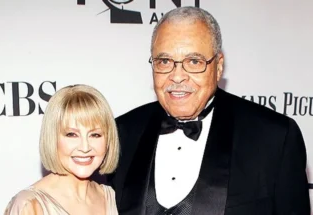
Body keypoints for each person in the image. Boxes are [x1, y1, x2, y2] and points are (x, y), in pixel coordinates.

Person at [108, 6, 310, 215]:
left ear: (219, 66)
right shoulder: (121, 132)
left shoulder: (274, 137)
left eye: (194, 61)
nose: (177, 77)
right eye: (165, 61)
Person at [4, 84, 119, 215]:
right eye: (72, 134)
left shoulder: (113, 198)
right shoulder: (30, 205)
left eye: (95, 135)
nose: (85, 147)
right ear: (52, 138)